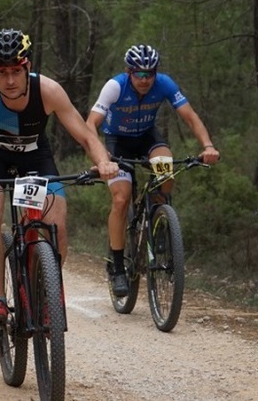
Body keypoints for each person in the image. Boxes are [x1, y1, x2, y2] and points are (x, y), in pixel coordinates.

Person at [0, 28, 119, 331]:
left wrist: (104, 162)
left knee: (56, 223)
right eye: (2, 72)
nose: (10, 81)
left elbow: (86, 136)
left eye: (16, 71)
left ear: (28, 67)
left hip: (36, 160)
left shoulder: (48, 90)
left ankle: (47, 288)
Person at [86, 43, 220, 297]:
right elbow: (91, 124)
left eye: (151, 74)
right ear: (129, 72)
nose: (145, 80)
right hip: (118, 144)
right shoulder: (115, 86)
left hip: (148, 139)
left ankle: (159, 220)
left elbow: (189, 116)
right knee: (121, 198)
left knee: (166, 169)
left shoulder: (165, 84)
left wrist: (208, 146)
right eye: (139, 74)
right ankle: (116, 267)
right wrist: (102, 159)